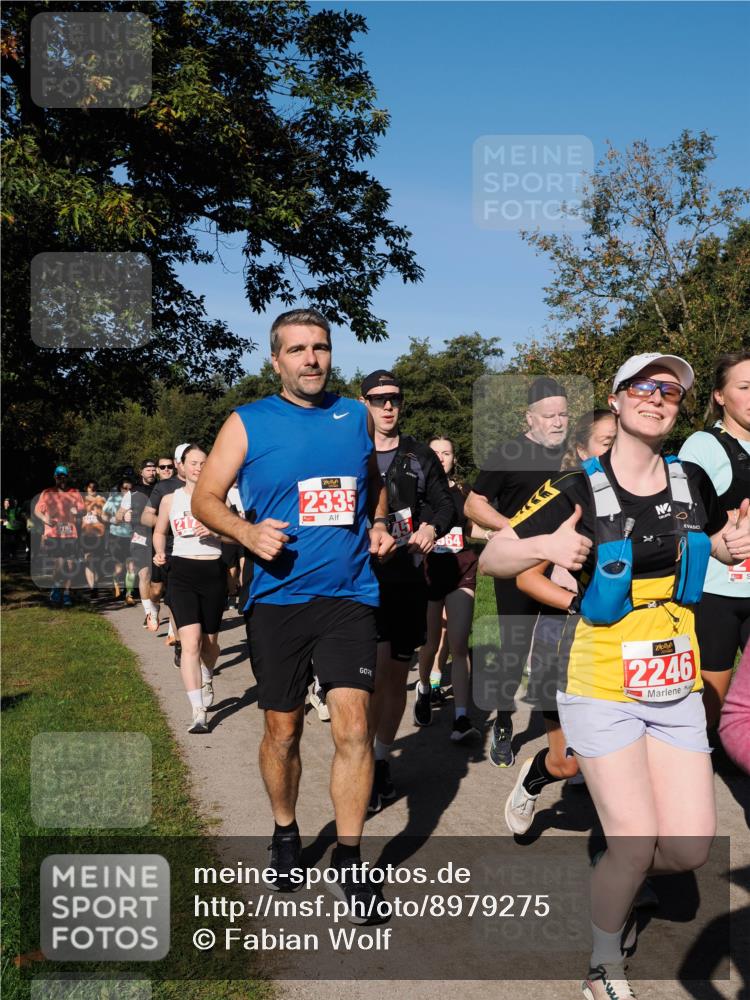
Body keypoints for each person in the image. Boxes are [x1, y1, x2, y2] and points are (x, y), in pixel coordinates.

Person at [479, 353, 750, 1000]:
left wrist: (725, 546)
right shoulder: (578, 486)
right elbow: (493, 554)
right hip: (601, 681)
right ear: (619, 398)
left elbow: (703, 539)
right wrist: (544, 547)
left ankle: (618, 882)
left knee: (686, 850)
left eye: (671, 391)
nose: (658, 398)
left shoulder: (689, 480)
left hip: (676, 679)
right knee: (633, 844)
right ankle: (603, 966)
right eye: (644, 387)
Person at [191, 308, 396, 919]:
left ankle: (351, 858)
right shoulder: (247, 422)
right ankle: (285, 830)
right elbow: (205, 498)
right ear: (276, 360)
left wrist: (380, 522)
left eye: (322, 348)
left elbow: (373, 485)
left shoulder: (354, 417)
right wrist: (247, 533)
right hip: (277, 599)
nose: (312, 358)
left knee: (354, 727)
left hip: (350, 595)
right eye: (299, 349)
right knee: (283, 731)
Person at [503, 409, 617, 834]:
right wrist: (578, 605)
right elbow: (526, 577)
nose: (618, 449)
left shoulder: (643, 497)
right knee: (566, 763)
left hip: (622, 647)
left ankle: (630, 862)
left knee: (623, 763)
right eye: (607, 442)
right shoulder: (565, 498)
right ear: (582, 449)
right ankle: (535, 777)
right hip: (562, 638)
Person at [360, 371, 454, 811]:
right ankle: (361, 758)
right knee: (370, 675)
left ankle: (379, 760)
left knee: (394, 676)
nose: (387, 406)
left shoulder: (418, 455)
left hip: (407, 577)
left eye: (394, 398)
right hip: (358, 578)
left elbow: (444, 504)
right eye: (378, 399)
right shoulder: (349, 451)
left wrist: (432, 527)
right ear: (365, 403)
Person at [464, 377, 570, 767]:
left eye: (563, 414)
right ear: (530, 417)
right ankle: (505, 721)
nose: (558, 422)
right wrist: (510, 530)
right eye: (549, 415)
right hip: (519, 565)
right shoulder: (508, 453)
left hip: (566, 566)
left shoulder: (573, 457)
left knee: (557, 652)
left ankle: (563, 743)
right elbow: (474, 506)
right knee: (513, 649)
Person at [679, 349, 750, 728]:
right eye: (745, 387)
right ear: (720, 396)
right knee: (711, 706)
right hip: (716, 593)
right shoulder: (702, 446)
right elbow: (685, 519)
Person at [154, 445, 227, 733]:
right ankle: (198, 711)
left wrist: (214, 531)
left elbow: (235, 534)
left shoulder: (217, 498)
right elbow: (160, 531)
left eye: (203, 463)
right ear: (182, 466)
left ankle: (207, 673)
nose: (198, 467)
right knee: (191, 642)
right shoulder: (170, 500)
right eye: (193, 462)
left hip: (212, 571)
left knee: (209, 644)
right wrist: (159, 552)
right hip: (182, 571)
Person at [413, 436, 480, 741]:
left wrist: (503, 532)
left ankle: (461, 718)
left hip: (462, 570)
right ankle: (424, 686)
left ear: (454, 458)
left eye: (447, 452)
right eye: (434, 453)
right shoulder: (415, 492)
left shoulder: (464, 493)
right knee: (429, 645)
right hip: (429, 574)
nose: (441, 457)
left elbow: (471, 529)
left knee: (459, 645)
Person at [142, 445, 189, 659]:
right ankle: (153, 609)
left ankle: (175, 634)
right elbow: (145, 517)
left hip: (188, 548)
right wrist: (166, 523)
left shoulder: (202, 483)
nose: (168, 469)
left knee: (176, 594)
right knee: (157, 590)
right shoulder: (163, 487)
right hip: (165, 545)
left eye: (170, 466)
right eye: (165, 466)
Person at [34, 465, 85, 607]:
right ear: (55, 477)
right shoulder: (47, 492)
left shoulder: (74, 492)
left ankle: (67, 593)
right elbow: (38, 510)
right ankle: (56, 588)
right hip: (54, 534)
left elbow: (83, 510)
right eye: (59, 476)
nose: (61, 479)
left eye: (64, 476)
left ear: (67, 477)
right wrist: (44, 519)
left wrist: (78, 512)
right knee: (59, 563)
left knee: (70, 565)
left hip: (70, 533)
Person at [117, 459, 159, 628]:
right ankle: (149, 614)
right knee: (144, 576)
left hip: (161, 536)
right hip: (140, 537)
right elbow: (118, 515)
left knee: (158, 584)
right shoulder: (132, 492)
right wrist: (123, 517)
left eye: (153, 469)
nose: (152, 472)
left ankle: (155, 610)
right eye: (148, 469)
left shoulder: (162, 488)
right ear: (141, 472)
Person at [103, 475, 134, 599]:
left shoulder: (136, 499)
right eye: (124, 488)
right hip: (116, 537)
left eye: (130, 488)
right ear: (120, 488)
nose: (127, 490)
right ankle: (115, 584)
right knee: (119, 567)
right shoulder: (113, 499)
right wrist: (113, 519)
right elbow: (103, 516)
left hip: (132, 537)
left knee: (131, 566)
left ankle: (129, 594)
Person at [80, 480, 107, 599]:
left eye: (95, 487)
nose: (93, 489)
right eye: (90, 487)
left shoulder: (102, 500)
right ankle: (92, 588)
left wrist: (100, 515)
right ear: (86, 488)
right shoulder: (81, 500)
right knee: (89, 560)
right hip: (86, 535)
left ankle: (97, 582)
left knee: (98, 562)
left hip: (100, 535)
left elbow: (107, 517)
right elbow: (75, 515)